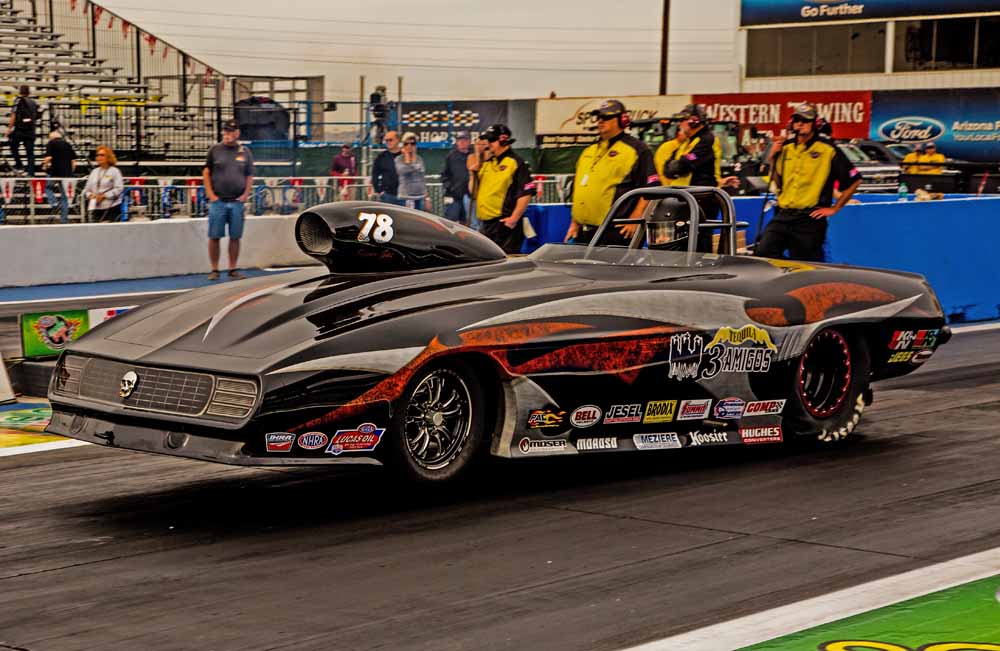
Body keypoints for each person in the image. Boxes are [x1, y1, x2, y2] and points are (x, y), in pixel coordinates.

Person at [754, 102, 863, 262]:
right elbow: (778, 181)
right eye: (797, 119)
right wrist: (772, 158)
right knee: (763, 253)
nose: (800, 123)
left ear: (815, 124)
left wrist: (835, 208)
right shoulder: (785, 148)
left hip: (810, 219)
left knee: (805, 264)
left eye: (805, 120)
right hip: (784, 214)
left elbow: (855, 179)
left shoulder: (827, 149)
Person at [565, 99, 657, 245]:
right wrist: (575, 223)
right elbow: (581, 189)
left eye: (607, 117)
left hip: (615, 231)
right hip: (585, 231)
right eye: (599, 117)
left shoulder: (637, 150)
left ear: (622, 120)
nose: (601, 121)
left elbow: (651, 189)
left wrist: (636, 218)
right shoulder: (589, 151)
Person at [203, 119, 254, 281]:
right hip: (218, 201)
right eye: (225, 132)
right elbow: (206, 173)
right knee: (214, 236)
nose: (227, 135)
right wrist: (211, 195)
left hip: (237, 201)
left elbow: (249, 175)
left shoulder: (245, 152)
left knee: (235, 236)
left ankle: (232, 268)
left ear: (237, 133)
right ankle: (214, 269)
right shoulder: (214, 150)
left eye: (230, 132)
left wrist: (246, 194)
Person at [474, 123, 534, 253]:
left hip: (505, 223)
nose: (488, 143)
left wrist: (513, 219)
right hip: (486, 224)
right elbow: (474, 192)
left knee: (506, 264)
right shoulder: (488, 163)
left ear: (503, 139)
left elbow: (526, 193)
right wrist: (473, 171)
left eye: (491, 140)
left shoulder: (516, 162)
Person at [82, 145, 124, 223]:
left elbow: (119, 188)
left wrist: (104, 196)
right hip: (95, 207)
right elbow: (86, 189)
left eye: (102, 155)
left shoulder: (115, 171)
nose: (99, 157)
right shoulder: (94, 172)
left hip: (111, 207)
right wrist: (90, 196)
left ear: (108, 157)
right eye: (97, 155)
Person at [43, 129, 77, 224]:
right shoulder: (68, 144)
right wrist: (70, 172)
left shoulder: (51, 143)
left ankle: (54, 203)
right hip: (67, 174)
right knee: (64, 197)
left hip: (55, 172)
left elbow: (48, 158)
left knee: (47, 188)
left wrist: (44, 165)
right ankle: (64, 219)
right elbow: (74, 162)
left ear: (51, 137)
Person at [7, 85, 39, 176]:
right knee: (30, 152)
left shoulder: (18, 100)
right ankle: (31, 173)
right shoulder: (33, 102)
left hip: (20, 130)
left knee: (13, 146)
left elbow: (13, 114)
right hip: (31, 131)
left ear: (20, 92)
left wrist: (9, 129)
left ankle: (19, 165)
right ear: (29, 92)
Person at [440, 131, 471, 224]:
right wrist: (451, 188)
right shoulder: (450, 156)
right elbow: (443, 175)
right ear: (456, 142)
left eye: (464, 140)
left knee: (467, 223)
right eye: (460, 140)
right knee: (450, 224)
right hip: (453, 197)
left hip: (469, 197)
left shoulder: (473, 156)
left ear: (469, 141)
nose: (462, 142)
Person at [395, 132, 429, 211]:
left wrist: (427, 197)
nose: (409, 146)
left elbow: (422, 177)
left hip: (420, 196)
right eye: (406, 144)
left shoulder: (419, 159)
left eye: (412, 143)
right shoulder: (399, 159)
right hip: (405, 197)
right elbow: (402, 171)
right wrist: (407, 158)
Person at [369, 130, 402, 205]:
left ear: (398, 140)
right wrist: (379, 191)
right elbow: (374, 175)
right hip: (387, 196)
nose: (388, 142)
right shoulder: (381, 157)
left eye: (390, 140)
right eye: (386, 140)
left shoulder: (404, 156)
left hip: (404, 196)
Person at [466, 133, 490, 230]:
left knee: (485, 224)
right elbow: (474, 168)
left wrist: (486, 153)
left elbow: (486, 169)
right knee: (474, 224)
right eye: (478, 144)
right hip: (473, 195)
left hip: (486, 196)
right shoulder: (471, 157)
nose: (480, 147)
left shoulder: (490, 159)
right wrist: (477, 154)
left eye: (483, 144)